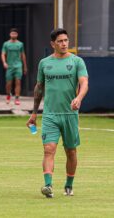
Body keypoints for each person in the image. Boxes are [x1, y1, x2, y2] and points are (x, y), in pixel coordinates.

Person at [26, 28, 88, 198]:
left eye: (66, 40)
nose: (64, 44)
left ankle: (69, 185)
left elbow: (84, 83)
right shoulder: (44, 63)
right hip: (50, 115)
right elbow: (39, 88)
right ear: (53, 44)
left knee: (71, 151)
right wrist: (34, 113)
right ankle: (48, 185)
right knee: (49, 149)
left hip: (69, 115)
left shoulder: (77, 62)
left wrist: (79, 98)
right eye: (60, 41)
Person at [1, 28, 28, 105]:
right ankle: (8, 95)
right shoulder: (6, 44)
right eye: (12, 33)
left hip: (18, 65)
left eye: (15, 33)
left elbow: (23, 55)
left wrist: (25, 66)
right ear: (10, 34)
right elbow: (3, 54)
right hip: (9, 66)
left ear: (17, 35)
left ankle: (17, 98)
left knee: (18, 82)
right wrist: (4, 62)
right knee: (8, 83)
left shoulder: (20, 44)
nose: (13, 35)